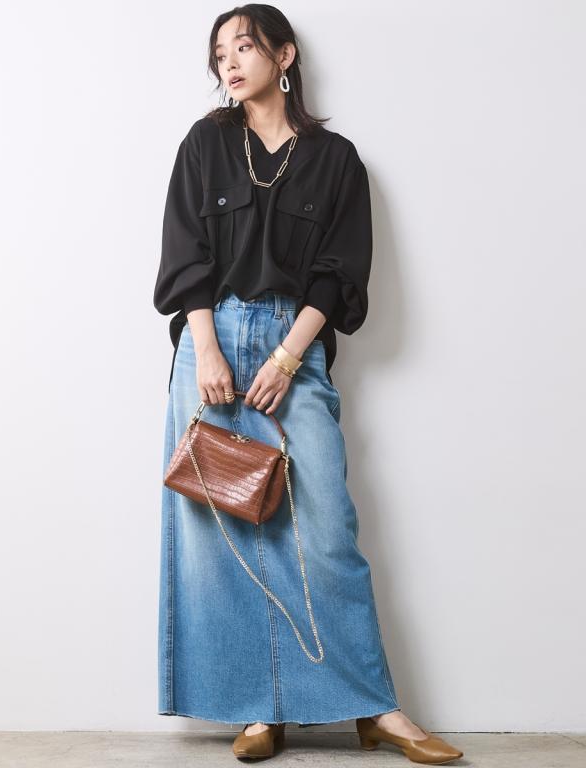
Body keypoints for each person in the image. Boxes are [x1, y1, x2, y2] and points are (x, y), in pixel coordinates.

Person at [153, 6, 464, 765]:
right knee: (224, 535)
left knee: (324, 534)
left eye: (244, 46)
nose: (229, 63)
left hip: (293, 348)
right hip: (210, 347)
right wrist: (208, 348)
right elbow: (186, 254)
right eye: (219, 53)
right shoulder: (205, 144)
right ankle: (259, 709)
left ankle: (375, 707)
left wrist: (289, 357)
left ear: (284, 55)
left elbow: (340, 273)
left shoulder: (336, 159)